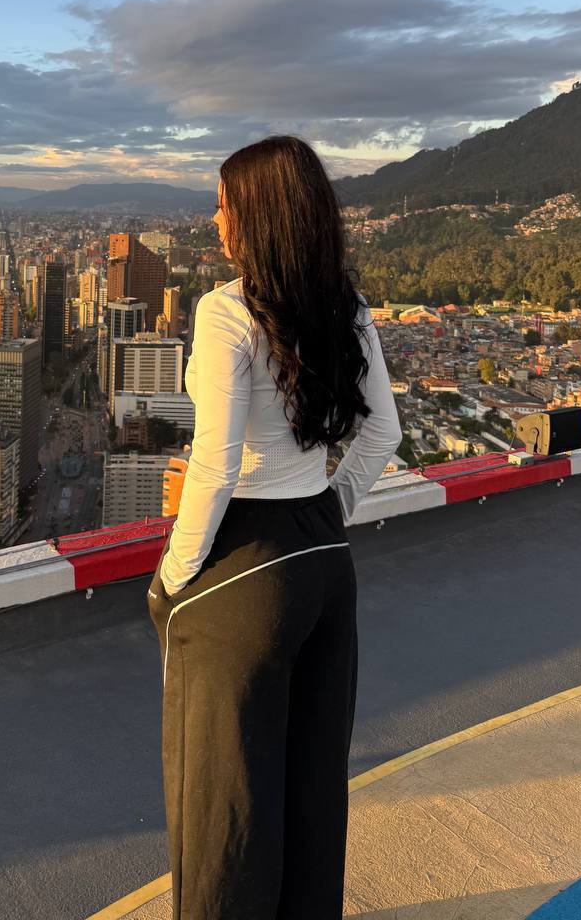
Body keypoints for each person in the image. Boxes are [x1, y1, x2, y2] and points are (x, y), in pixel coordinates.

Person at [146, 134, 403, 920]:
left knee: (223, 808)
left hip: (245, 563)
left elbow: (215, 464)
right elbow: (384, 433)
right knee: (313, 785)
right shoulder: (346, 308)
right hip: (325, 557)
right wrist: (328, 509)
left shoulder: (225, 312)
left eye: (224, 203)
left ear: (256, 217)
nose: (215, 218)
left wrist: (174, 574)